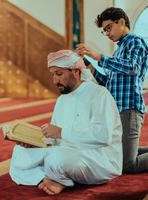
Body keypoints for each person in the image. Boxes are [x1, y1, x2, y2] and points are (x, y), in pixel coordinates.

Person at [9, 50, 122, 195]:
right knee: (20, 152)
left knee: (56, 159)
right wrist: (34, 141)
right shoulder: (62, 100)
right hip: (66, 150)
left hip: (98, 159)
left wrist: (61, 133)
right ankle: (47, 179)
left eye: (59, 74)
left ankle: (54, 178)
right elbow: (54, 138)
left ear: (75, 71)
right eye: (53, 75)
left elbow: (103, 137)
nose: (55, 81)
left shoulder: (99, 94)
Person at [76, 7, 148, 173]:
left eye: (108, 28)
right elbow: (109, 83)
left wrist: (99, 57)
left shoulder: (135, 42)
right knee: (121, 155)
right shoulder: (118, 50)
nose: (107, 33)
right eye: (104, 31)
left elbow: (132, 68)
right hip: (118, 109)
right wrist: (87, 66)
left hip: (129, 108)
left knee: (126, 165)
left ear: (121, 22)